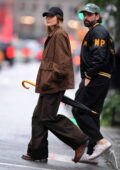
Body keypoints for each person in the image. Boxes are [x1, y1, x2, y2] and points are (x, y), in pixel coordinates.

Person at [22, 7, 88, 163]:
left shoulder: (59, 35)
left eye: (52, 16)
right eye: (47, 16)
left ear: (59, 18)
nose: (48, 18)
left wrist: (50, 79)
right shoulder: (52, 35)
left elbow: (63, 63)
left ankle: (79, 140)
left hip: (54, 84)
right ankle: (37, 153)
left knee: (47, 117)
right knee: (39, 117)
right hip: (48, 84)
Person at [72, 3, 115, 163]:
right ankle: (92, 153)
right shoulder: (97, 31)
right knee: (92, 114)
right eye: (85, 15)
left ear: (97, 16)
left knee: (79, 110)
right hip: (102, 78)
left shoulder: (98, 31)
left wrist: (88, 76)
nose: (86, 17)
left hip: (96, 78)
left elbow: (98, 57)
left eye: (90, 14)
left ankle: (101, 141)